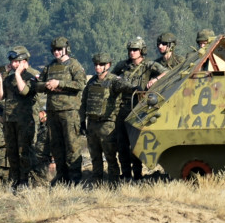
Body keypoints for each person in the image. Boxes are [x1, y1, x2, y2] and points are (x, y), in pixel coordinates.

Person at [112, 37, 167, 180]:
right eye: (130, 50)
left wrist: (155, 79)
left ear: (142, 51)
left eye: (135, 50)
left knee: (135, 144)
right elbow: (111, 77)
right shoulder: (122, 66)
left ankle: (137, 174)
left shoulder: (148, 65)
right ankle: (125, 174)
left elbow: (167, 73)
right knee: (122, 144)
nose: (132, 53)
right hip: (122, 108)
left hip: (138, 108)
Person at [36, 37, 87, 185]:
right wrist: (46, 85)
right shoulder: (50, 67)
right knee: (56, 146)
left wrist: (60, 83)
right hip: (52, 112)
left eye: (59, 49)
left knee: (72, 146)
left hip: (70, 112)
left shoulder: (74, 65)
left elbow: (80, 84)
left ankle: (75, 178)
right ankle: (62, 176)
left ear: (66, 49)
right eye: (54, 50)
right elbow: (37, 85)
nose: (56, 52)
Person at [80, 52, 132, 184]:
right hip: (92, 124)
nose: (97, 67)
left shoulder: (114, 80)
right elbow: (84, 102)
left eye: (101, 65)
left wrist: (133, 88)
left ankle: (113, 183)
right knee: (95, 156)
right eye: (96, 65)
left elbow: (125, 87)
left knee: (110, 156)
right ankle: (97, 181)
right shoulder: (92, 81)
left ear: (108, 65)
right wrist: (82, 121)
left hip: (107, 125)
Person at [0, 45, 39, 190]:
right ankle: (15, 180)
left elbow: (24, 91)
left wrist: (19, 74)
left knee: (24, 150)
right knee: (12, 151)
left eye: (16, 62)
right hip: (10, 120)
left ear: (24, 60)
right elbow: (0, 97)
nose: (13, 65)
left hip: (25, 120)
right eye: (12, 62)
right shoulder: (10, 76)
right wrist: (1, 81)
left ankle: (25, 180)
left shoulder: (32, 74)